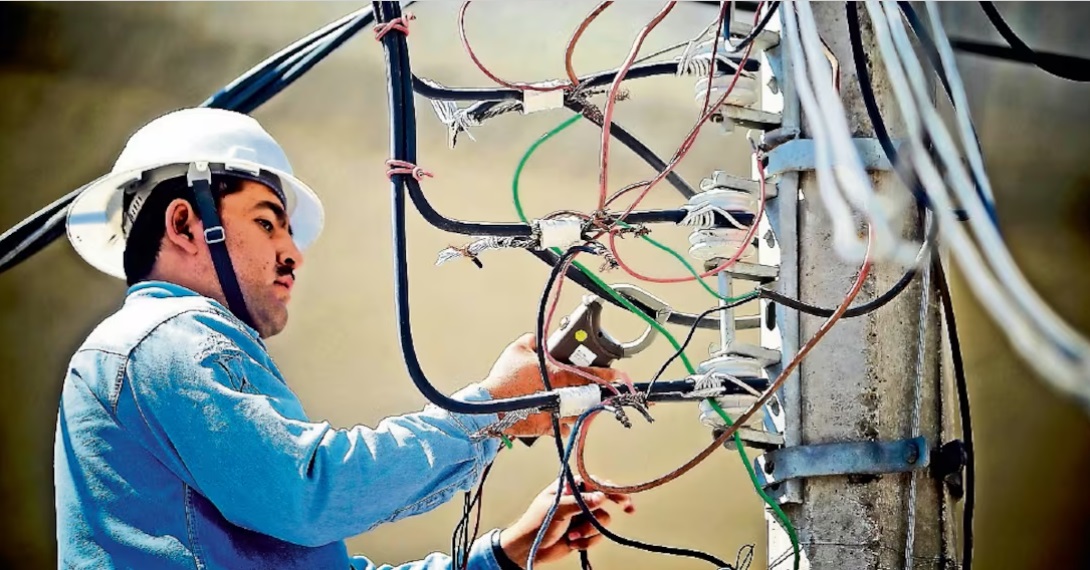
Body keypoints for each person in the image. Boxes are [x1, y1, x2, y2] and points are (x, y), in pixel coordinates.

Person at [55, 107, 633, 570]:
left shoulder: (157, 352)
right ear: (185, 224)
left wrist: (501, 555)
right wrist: (489, 408)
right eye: (266, 222)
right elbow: (309, 496)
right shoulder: (169, 335)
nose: (293, 253)